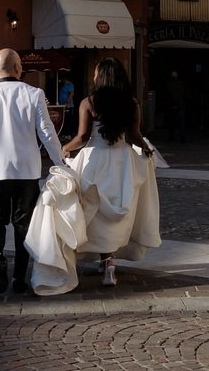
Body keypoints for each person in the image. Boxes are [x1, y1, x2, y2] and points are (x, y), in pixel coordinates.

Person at [50, 56, 161, 290]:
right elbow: (133, 136)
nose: (93, 76)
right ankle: (109, 262)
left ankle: (103, 257)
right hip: (121, 162)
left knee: (94, 209)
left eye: (95, 72)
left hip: (95, 159)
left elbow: (82, 138)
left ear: (101, 77)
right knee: (116, 211)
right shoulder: (131, 103)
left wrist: (64, 149)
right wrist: (147, 150)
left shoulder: (88, 102)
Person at [0, 48, 66, 295]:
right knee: (24, 225)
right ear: (19, 68)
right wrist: (60, 163)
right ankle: (19, 278)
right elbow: (47, 133)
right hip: (26, 171)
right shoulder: (34, 94)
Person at [162, 70, 187, 142]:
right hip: (180, 105)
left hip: (173, 105)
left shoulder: (169, 85)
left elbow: (168, 96)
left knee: (172, 122)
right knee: (180, 123)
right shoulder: (181, 84)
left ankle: (172, 137)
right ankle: (182, 137)